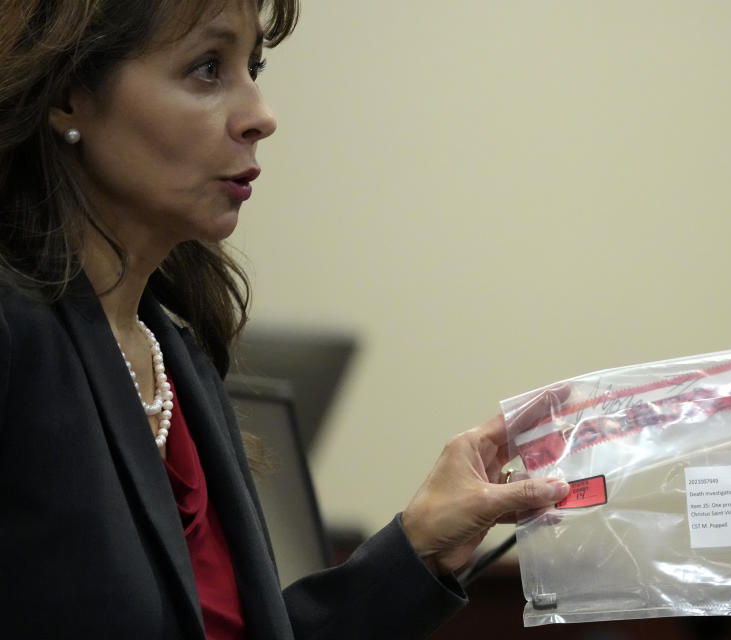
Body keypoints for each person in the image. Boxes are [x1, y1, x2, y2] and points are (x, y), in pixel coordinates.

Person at [0, 1, 570, 638]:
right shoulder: (17, 335)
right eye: (207, 68)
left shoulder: (175, 354)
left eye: (254, 67)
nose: (261, 116)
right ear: (69, 95)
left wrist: (419, 549)